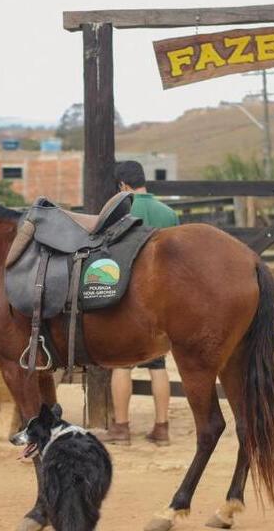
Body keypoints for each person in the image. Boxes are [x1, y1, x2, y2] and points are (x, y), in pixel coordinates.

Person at [101, 161, 179, 446]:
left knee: (121, 365)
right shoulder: (168, 214)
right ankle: (162, 429)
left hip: (126, 299)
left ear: (122, 185)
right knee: (158, 366)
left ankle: (121, 429)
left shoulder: (120, 212)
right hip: (161, 300)